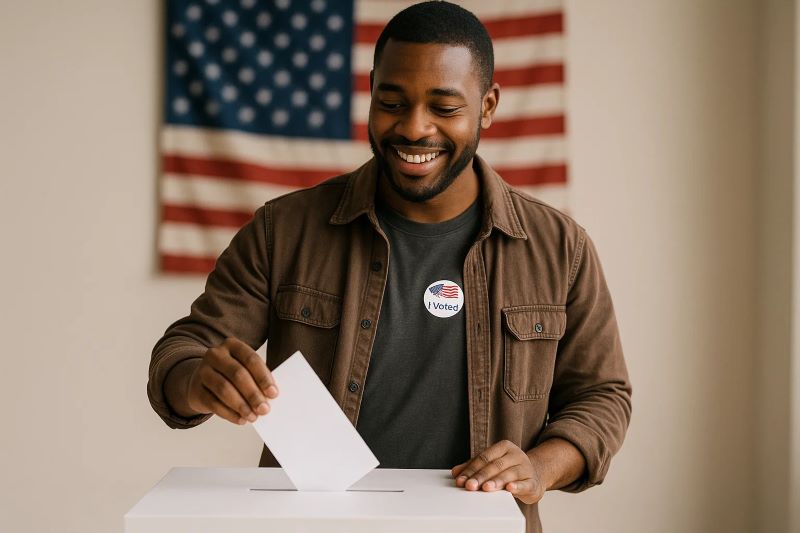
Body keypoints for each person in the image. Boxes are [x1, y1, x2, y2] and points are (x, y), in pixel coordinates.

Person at [147, 2, 632, 532]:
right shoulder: (282, 230)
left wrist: (540, 466)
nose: (414, 128)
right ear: (371, 92)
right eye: (392, 102)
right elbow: (182, 353)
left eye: (444, 108)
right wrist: (198, 382)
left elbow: (602, 397)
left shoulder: (560, 248)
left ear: (488, 105)